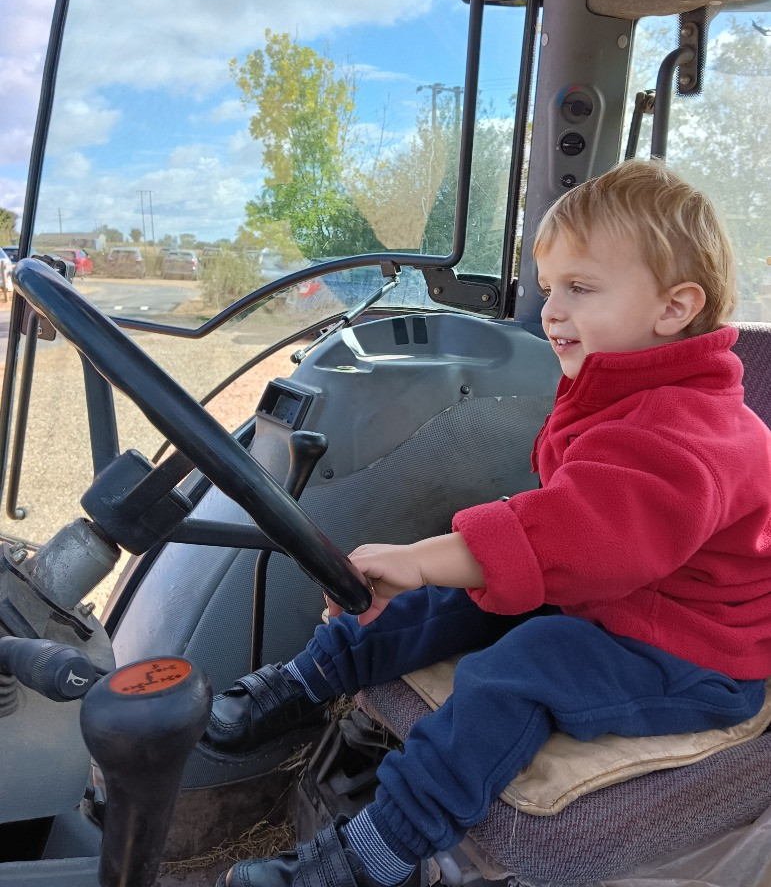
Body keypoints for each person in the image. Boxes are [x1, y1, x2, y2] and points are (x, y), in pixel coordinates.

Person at [204, 158, 771, 887]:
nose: (550, 312)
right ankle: (307, 677)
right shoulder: (619, 389)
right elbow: (564, 522)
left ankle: (375, 853)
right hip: (621, 599)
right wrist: (433, 568)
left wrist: (425, 555)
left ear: (672, 308)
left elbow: (586, 534)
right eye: (547, 289)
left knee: (526, 661)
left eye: (579, 289)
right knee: (449, 594)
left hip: (695, 650)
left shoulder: (692, 429)